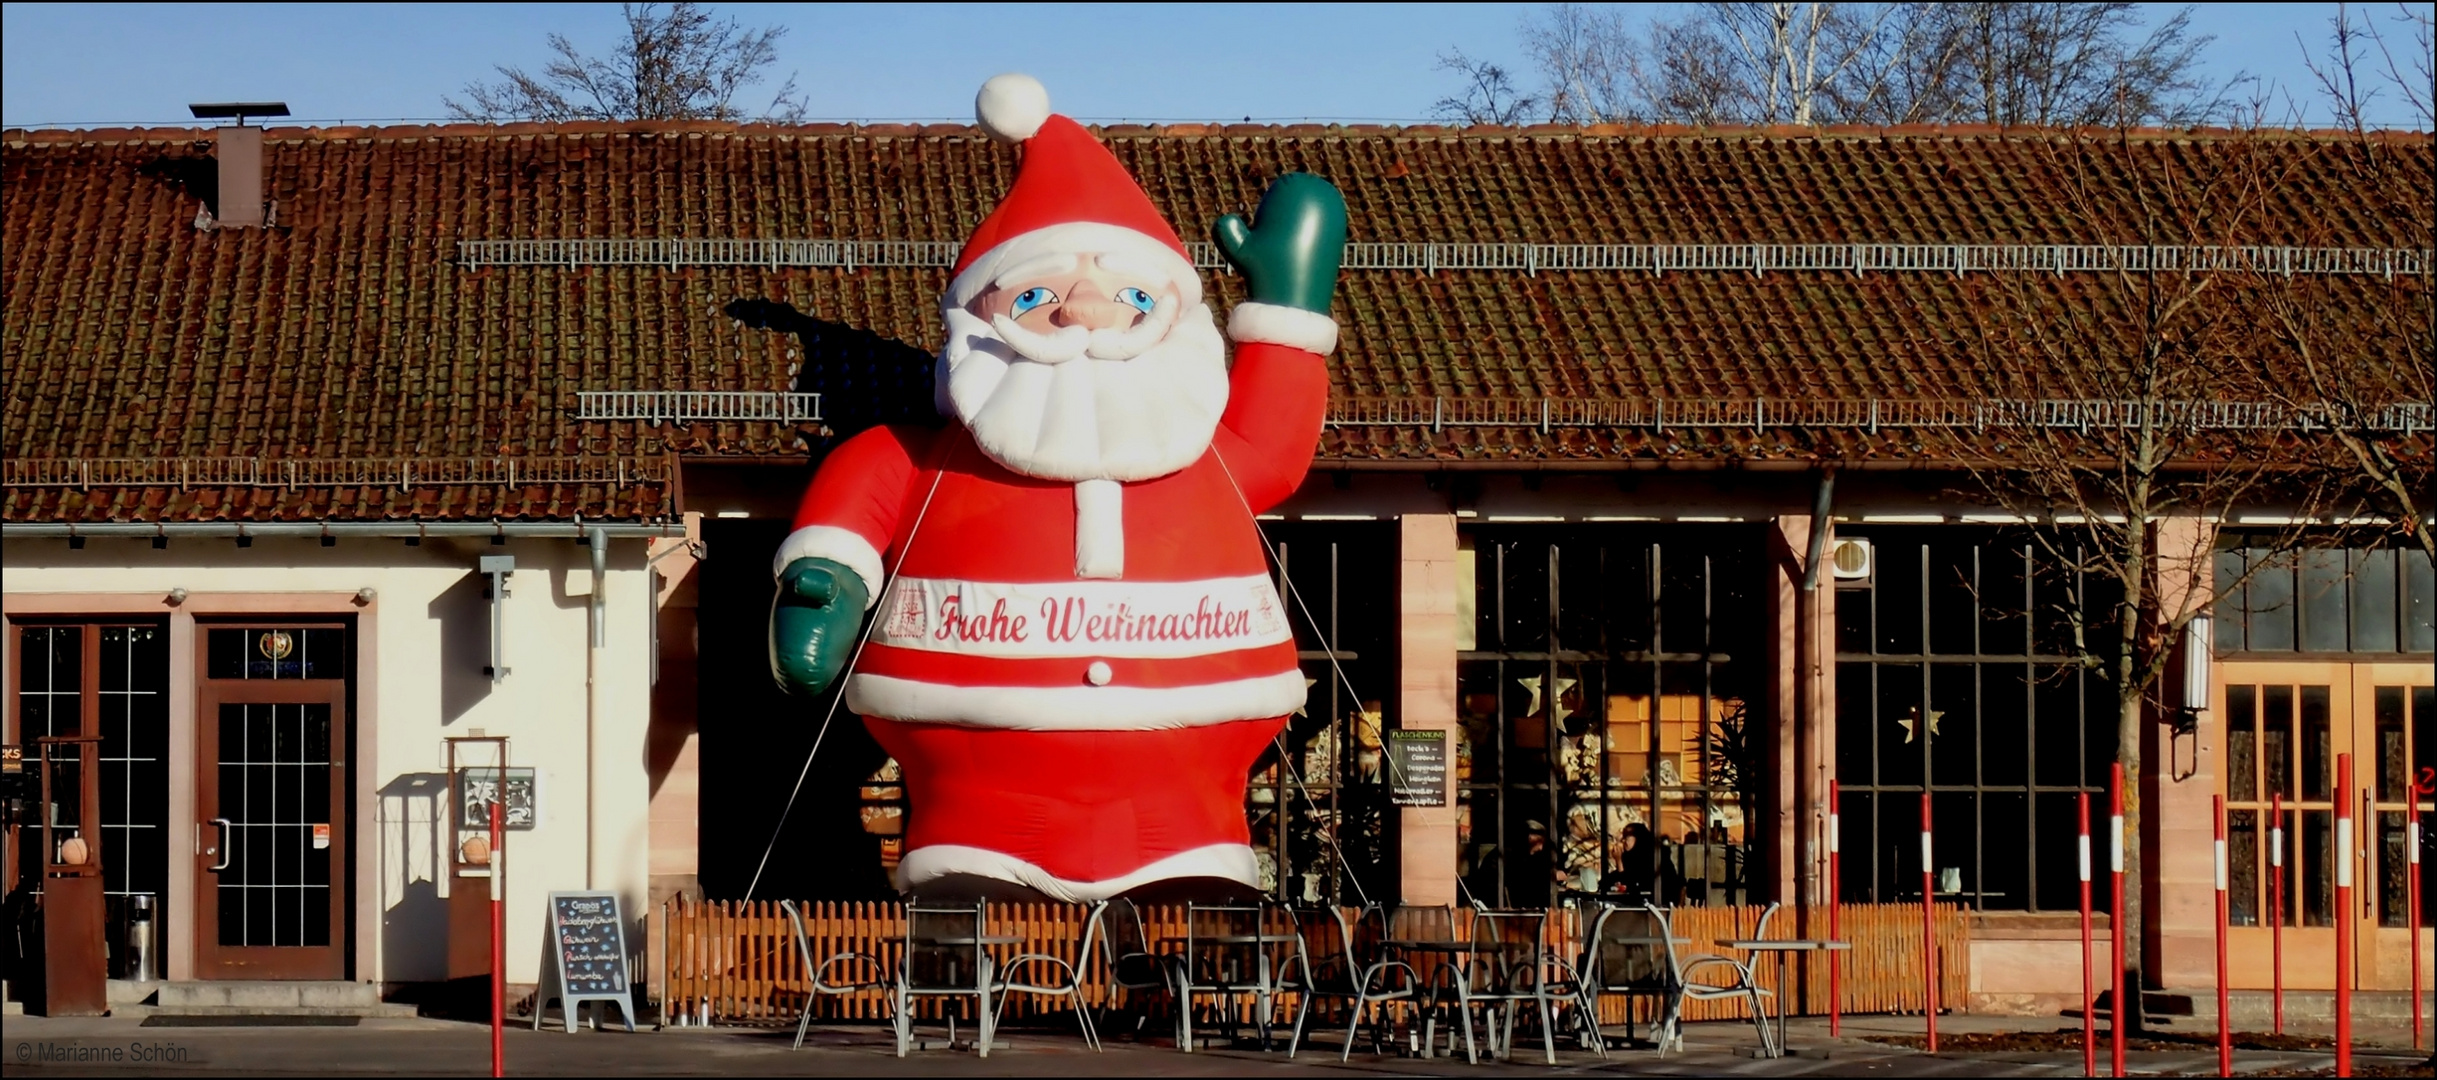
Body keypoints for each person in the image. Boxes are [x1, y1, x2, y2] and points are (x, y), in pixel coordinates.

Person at [767, 73, 1347, 902]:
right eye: (1037, 296)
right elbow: (863, 490)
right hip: (972, 763)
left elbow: (1276, 448)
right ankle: (971, 898)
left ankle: (1182, 901)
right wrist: (823, 581)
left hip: (1189, 775)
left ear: (1173, 321)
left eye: (1130, 296)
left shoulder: (1205, 447)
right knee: (971, 889)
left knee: (1190, 890)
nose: (1084, 315)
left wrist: (1289, 307)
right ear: (979, 324)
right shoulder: (926, 458)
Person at [1598, 822, 1658, 904]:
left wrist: (1619, 861)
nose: (1623, 840)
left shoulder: (1650, 860)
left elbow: (1631, 884)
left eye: (1627, 835)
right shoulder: (1628, 858)